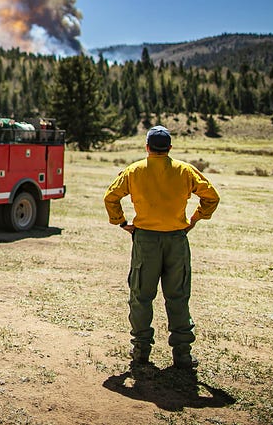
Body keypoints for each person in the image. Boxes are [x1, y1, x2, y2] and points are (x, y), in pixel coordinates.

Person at [103, 125, 220, 369]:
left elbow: (111, 197)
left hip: (146, 240)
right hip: (177, 240)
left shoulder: (134, 171)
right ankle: (182, 354)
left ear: (147, 147)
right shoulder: (185, 170)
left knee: (141, 296)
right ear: (169, 148)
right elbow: (212, 197)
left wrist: (122, 222)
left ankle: (141, 351)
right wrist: (195, 219)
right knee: (178, 296)